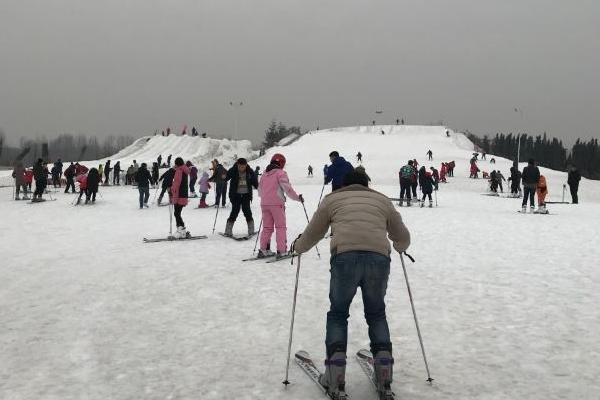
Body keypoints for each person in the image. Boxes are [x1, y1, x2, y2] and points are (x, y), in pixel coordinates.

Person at [291, 169, 410, 400]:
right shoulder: (382, 200)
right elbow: (402, 236)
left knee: (338, 314)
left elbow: (313, 232)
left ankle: (335, 378)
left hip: (344, 258)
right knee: (376, 314)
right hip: (378, 259)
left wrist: (298, 247)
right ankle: (384, 375)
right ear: (366, 184)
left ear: (344, 185)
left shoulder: (332, 199)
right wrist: (401, 246)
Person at [257, 154, 303, 258]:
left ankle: (264, 250)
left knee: (267, 227)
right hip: (277, 204)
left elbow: (259, 190)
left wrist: (266, 198)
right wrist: (298, 198)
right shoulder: (281, 173)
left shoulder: (264, 174)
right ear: (281, 163)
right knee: (280, 227)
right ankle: (281, 251)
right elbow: (288, 189)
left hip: (264, 204)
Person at [223, 158, 258, 237]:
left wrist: (259, 188)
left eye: (243, 166)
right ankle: (228, 231)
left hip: (246, 195)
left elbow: (255, 182)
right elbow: (226, 177)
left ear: (246, 165)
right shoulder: (233, 170)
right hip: (236, 195)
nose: (241, 168)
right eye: (240, 166)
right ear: (237, 165)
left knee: (247, 212)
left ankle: (251, 231)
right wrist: (223, 178)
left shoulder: (250, 171)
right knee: (234, 211)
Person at [170, 157, 191, 238]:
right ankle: (181, 230)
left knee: (177, 213)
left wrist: (171, 190)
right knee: (177, 213)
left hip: (179, 195)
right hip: (183, 194)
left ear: (177, 163)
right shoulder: (184, 169)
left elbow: (176, 183)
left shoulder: (179, 170)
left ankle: (181, 231)